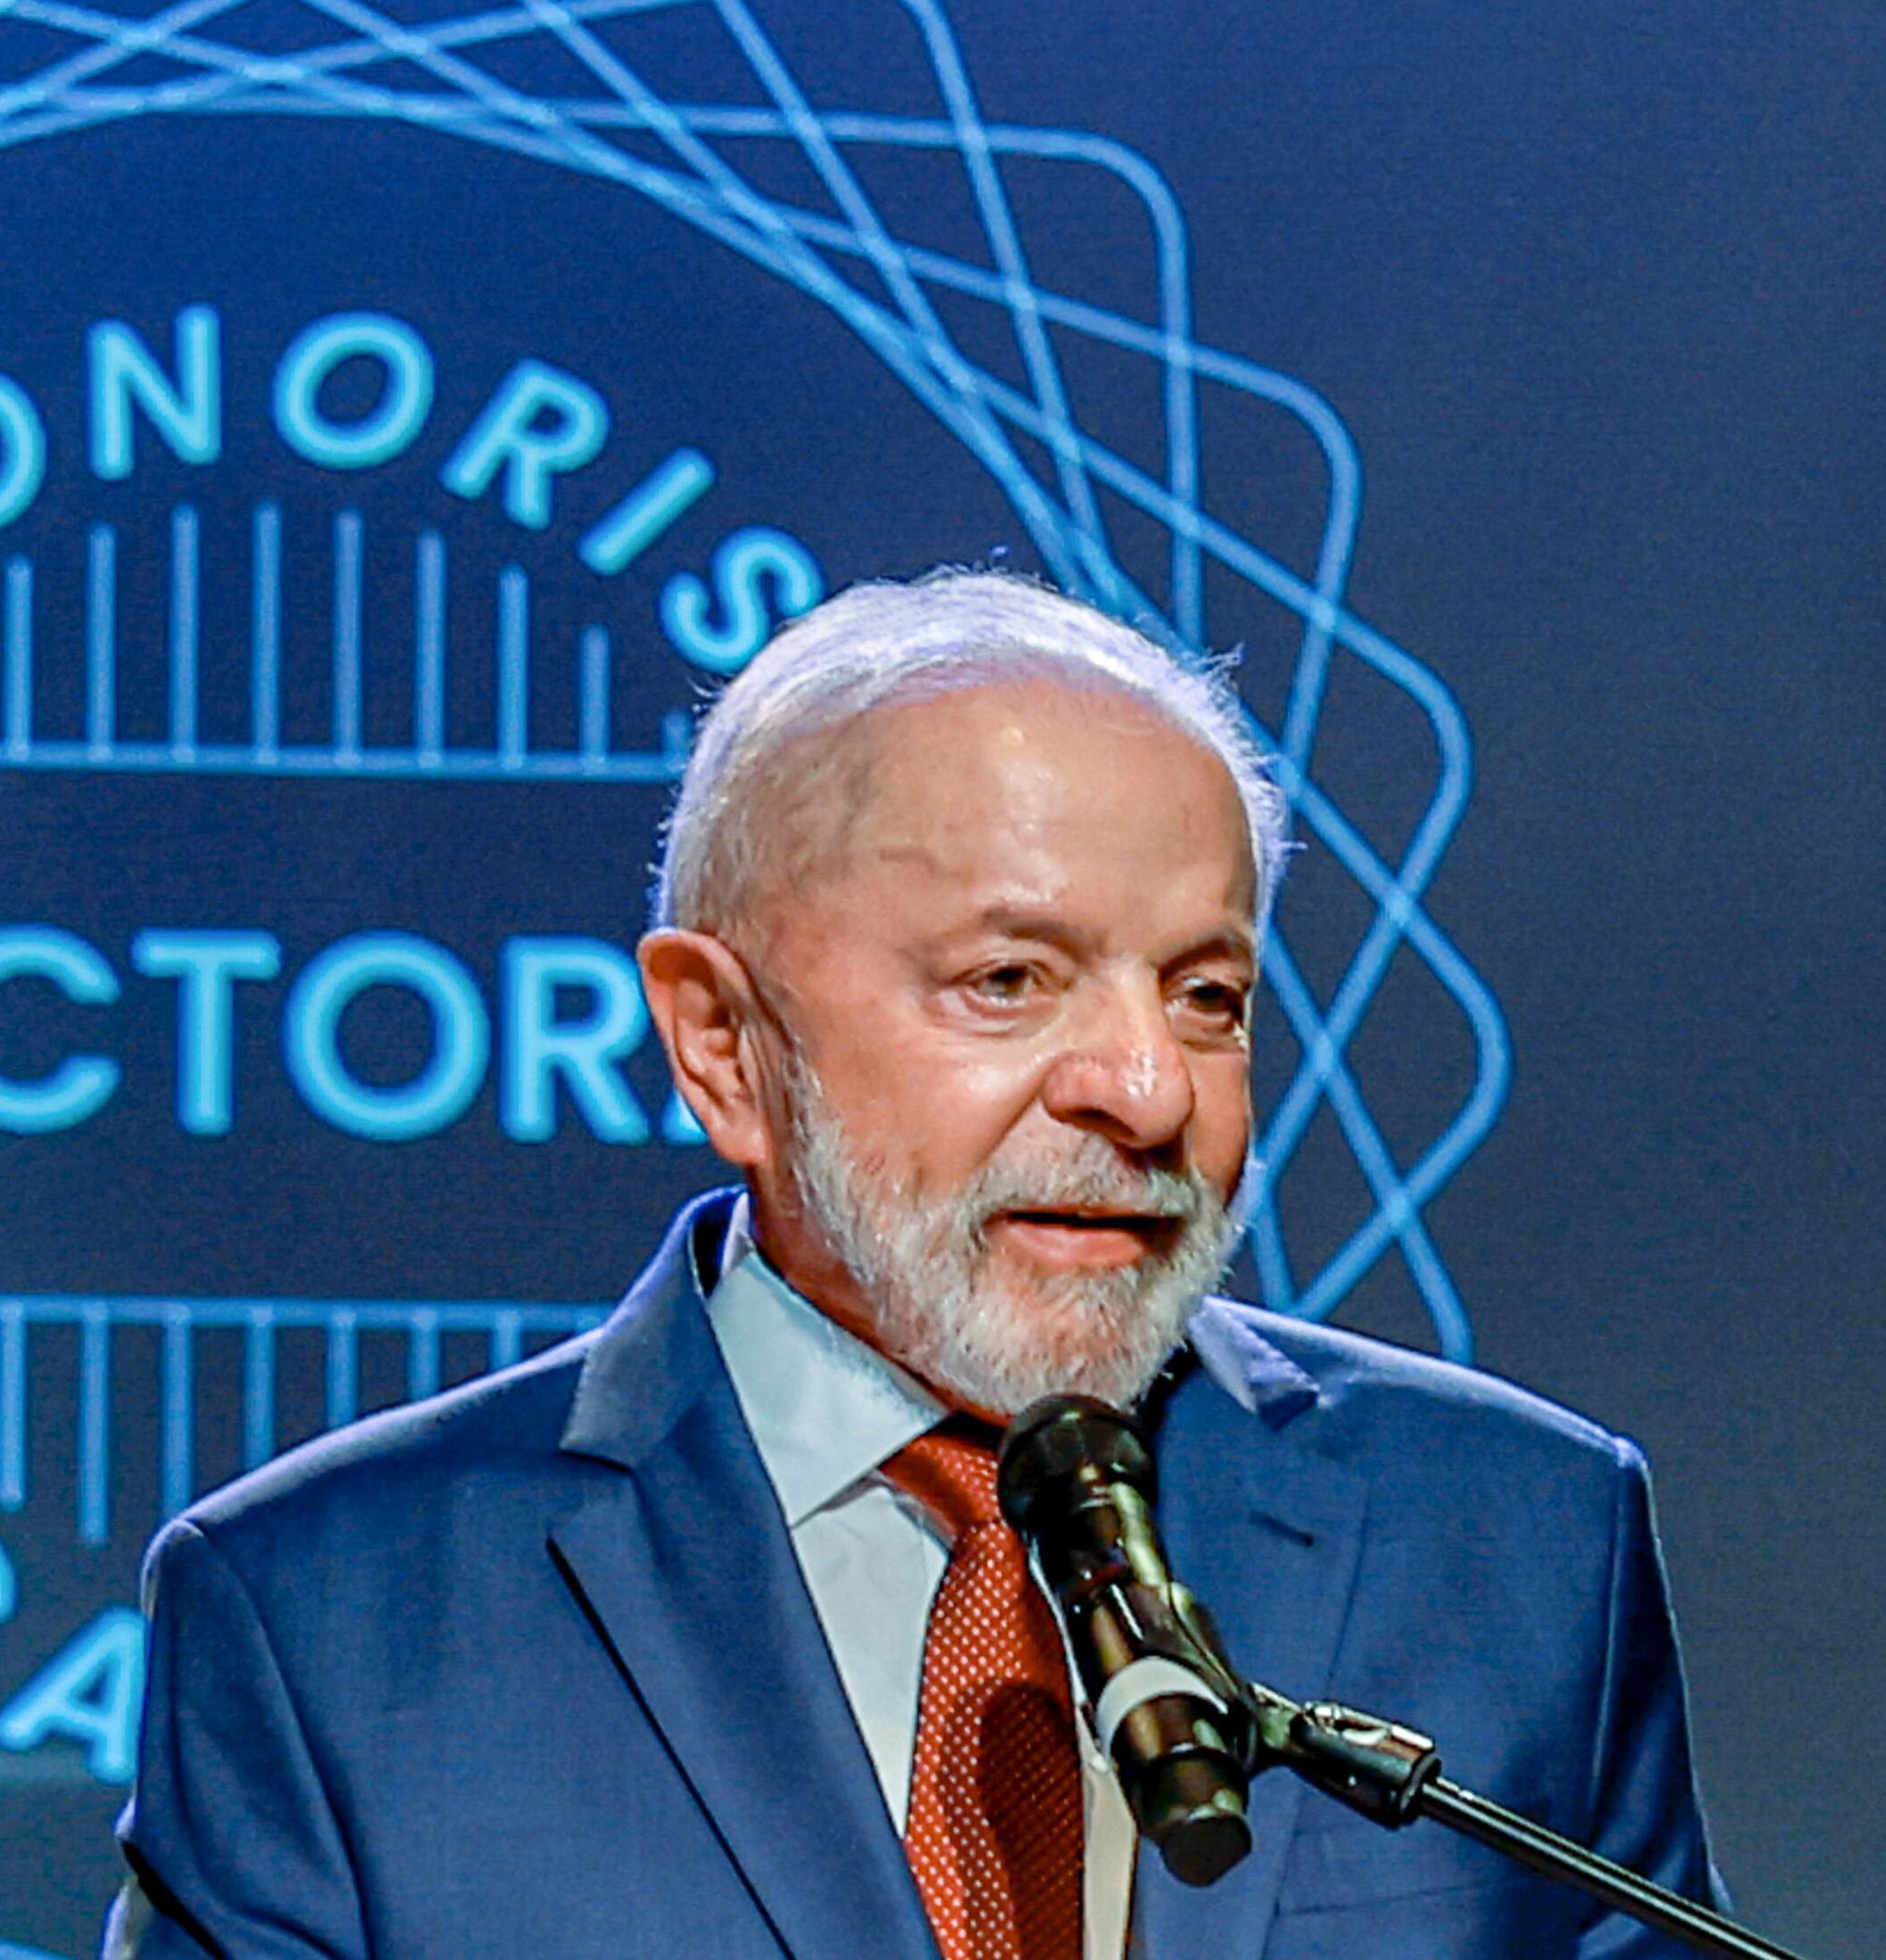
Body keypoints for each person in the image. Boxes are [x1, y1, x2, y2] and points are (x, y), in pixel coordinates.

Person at [104, 572, 1723, 1959]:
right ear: (724, 1046)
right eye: (1011, 980)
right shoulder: (325, 1624)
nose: (1147, 1089)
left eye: (1207, 996)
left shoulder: (1516, 1542)